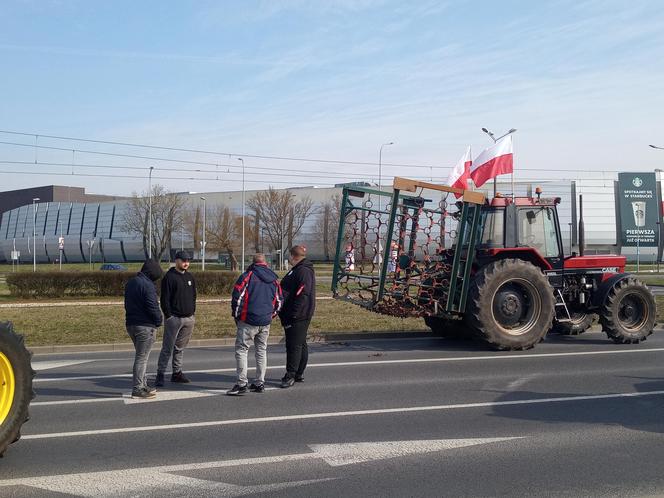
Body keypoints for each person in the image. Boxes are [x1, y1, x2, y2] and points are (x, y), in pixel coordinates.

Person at [227, 254, 282, 396]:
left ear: (253, 263)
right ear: (266, 263)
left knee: (242, 350)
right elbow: (279, 301)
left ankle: (241, 384)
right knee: (261, 351)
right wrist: (271, 315)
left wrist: (237, 316)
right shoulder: (274, 279)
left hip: (248, 321)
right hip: (265, 321)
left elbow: (237, 298)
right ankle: (259, 382)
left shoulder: (247, 276)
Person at [156, 250, 197, 387]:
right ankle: (160, 374)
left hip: (189, 318)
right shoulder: (169, 277)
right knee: (167, 348)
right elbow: (164, 299)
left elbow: (193, 296)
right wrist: (169, 316)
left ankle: (177, 373)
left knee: (180, 348)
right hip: (174, 319)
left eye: (188, 261)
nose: (186, 263)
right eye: (183, 260)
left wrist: (192, 313)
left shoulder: (190, 277)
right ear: (177, 260)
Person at [124, 259, 163, 399]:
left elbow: (127, 304)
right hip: (145, 326)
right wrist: (159, 320)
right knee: (142, 358)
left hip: (131, 324)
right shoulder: (148, 285)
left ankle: (143, 385)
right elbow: (152, 306)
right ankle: (138, 388)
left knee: (141, 356)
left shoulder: (131, 283)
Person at [279, 245, 316, 388]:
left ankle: (291, 375)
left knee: (294, 345)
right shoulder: (298, 269)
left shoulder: (303, 271)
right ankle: (299, 373)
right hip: (298, 313)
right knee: (300, 344)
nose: (288, 259)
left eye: (289, 256)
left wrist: (294, 313)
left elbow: (303, 294)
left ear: (294, 256)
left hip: (298, 315)